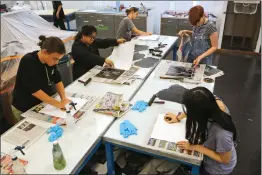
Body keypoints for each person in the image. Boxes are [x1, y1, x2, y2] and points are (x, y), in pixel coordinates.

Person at [164, 87, 237, 175]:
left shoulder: (222, 134)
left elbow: (224, 160)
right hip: (211, 147)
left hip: (217, 168)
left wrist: (194, 147)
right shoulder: (213, 103)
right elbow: (198, 105)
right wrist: (178, 117)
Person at [12, 35, 70, 122]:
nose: (56, 62)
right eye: (55, 59)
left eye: (58, 59)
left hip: (43, 105)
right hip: (25, 107)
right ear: (44, 52)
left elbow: (58, 80)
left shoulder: (50, 62)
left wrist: (63, 98)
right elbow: (36, 91)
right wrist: (58, 104)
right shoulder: (28, 61)